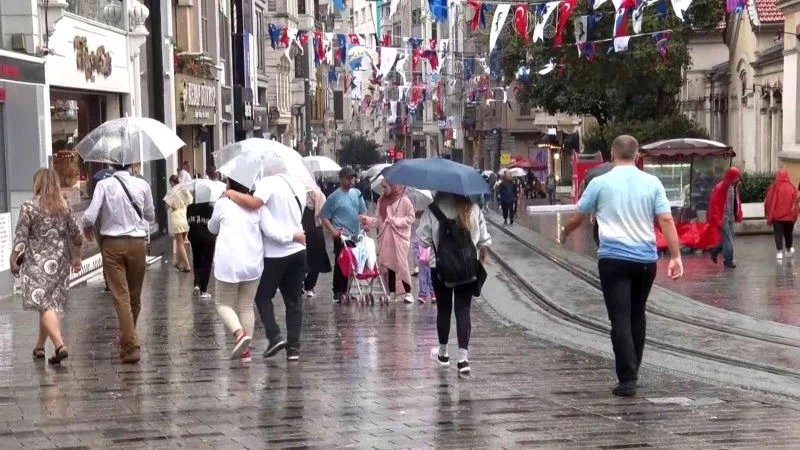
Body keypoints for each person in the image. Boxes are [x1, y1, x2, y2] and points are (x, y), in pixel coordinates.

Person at [559, 135, 683, 397]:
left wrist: (564, 233)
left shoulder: (600, 183)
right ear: (637, 156)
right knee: (637, 314)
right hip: (645, 260)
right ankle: (633, 368)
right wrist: (675, 256)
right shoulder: (652, 183)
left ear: (613, 155)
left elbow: (577, 216)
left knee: (620, 318)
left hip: (613, 259)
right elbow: (666, 219)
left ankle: (627, 378)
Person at [226, 158, 307, 361]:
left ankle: (274, 335)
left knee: (262, 295)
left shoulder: (268, 183)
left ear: (271, 168)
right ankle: (294, 348)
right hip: (298, 250)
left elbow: (255, 203)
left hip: (276, 254)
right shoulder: (299, 186)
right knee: (294, 300)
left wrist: (231, 193)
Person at [83, 164, 155, 364]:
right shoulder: (142, 185)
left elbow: (90, 215)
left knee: (121, 296)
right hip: (138, 244)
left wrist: (86, 224)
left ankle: (130, 344)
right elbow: (151, 216)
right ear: (131, 165)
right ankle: (128, 341)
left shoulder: (104, 185)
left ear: (111, 166)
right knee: (134, 297)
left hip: (112, 245)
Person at [10, 169, 83, 365]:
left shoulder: (29, 207)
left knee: (44, 304)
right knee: (47, 304)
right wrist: (76, 256)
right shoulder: (64, 206)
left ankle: (59, 346)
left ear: (38, 183)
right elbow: (77, 235)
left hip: (36, 263)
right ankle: (40, 347)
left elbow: (21, 237)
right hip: (59, 263)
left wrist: (13, 258)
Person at [417, 192, 491, 379]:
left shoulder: (433, 209)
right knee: (463, 310)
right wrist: (480, 261)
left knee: (443, 309)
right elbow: (484, 241)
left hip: (440, 268)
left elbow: (423, 241)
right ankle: (463, 359)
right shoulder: (473, 208)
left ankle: (443, 353)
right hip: (468, 269)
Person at [208, 179, 270, 364]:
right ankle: (246, 354)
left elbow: (212, 228)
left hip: (229, 263)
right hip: (252, 262)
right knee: (245, 306)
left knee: (223, 304)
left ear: (229, 185)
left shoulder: (222, 204)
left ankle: (239, 333)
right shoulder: (256, 206)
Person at [361, 180, 416, 303]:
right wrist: (368, 221)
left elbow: (411, 217)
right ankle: (391, 292)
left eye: (385, 187)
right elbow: (378, 220)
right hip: (386, 237)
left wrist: (396, 221)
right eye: (383, 187)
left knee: (402, 264)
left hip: (400, 237)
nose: (384, 190)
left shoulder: (404, 200)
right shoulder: (381, 201)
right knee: (389, 265)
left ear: (393, 186)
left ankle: (408, 292)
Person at [320, 167, 367, 303]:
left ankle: (347, 289)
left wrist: (364, 220)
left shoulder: (357, 193)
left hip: (355, 234)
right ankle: (338, 291)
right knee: (341, 263)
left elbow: (363, 211)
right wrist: (332, 230)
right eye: (348, 178)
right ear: (341, 179)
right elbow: (323, 215)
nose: (351, 181)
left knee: (353, 264)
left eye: (352, 178)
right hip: (341, 236)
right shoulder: (334, 197)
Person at [708, 167, 742, 268]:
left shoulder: (734, 187)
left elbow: (737, 202)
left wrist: (738, 214)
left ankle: (715, 250)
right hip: (723, 218)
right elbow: (714, 205)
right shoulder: (720, 188)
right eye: (736, 177)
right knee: (728, 239)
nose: (738, 179)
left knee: (728, 238)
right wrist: (718, 218)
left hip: (730, 217)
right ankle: (728, 260)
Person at [187, 183, 216, 298]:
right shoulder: (210, 209)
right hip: (208, 238)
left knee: (197, 261)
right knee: (206, 263)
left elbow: (188, 221)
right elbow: (214, 224)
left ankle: (197, 284)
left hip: (194, 236)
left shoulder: (190, 207)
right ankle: (203, 290)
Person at [303, 187, 332, 298]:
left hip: (301, 229)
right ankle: (309, 287)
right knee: (316, 258)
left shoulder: (296, 193)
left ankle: (302, 284)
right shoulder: (318, 193)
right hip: (315, 229)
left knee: (303, 258)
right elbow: (323, 212)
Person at [764, 168, 798, 260]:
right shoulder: (792, 187)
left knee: (778, 234)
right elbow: (796, 202)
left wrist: (767, 213)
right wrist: (795, 215)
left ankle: (779, 252)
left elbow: (769, 201)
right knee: (788, 233)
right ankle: (788, 251)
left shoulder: (774, 187)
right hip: (789, 216)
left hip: (777, 217)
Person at [580, 162, 614, 246]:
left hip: (602, 215)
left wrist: (592, 214)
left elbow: (586, 201)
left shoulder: (596, 183)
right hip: (610, 216)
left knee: (598, 233)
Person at [165, 175, 192, 272]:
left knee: (179, 243)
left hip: (177, 216)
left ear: (172, 182)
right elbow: (190, 201)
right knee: (183, 240)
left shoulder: (172, 192)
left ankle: (187, 265)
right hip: (185, 214)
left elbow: (166, 206)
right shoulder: (184, 188)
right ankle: (178, 262)